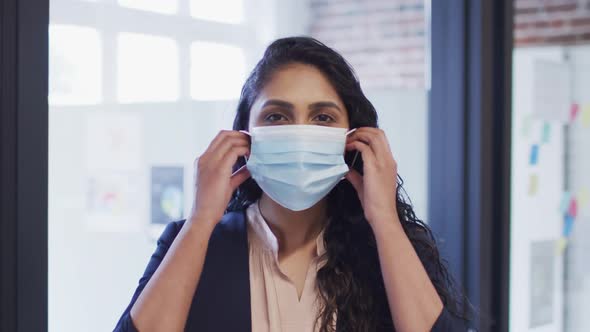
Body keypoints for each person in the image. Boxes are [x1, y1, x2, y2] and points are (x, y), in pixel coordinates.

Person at [114, 36, 471, 332]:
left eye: (322, 117)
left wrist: (385, 220)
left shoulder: (387, 249)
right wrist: (201, 220)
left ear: (353, 137)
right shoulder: (193, 242)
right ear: (244, 136)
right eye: (277, 116)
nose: (301, 132)